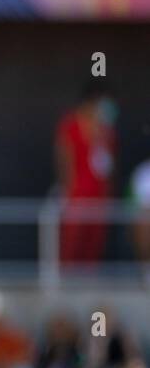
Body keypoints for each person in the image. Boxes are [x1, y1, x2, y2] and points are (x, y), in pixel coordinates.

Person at [54, 81, 118, 268]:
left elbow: (110, 167)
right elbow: (64, 163)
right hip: (77, 196)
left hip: (99, 198)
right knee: (71, 250)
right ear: (91, 103)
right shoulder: (71, 125)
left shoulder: (108, 131)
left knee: (93, 252)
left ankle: (89, 291)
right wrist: (67, 193)